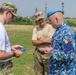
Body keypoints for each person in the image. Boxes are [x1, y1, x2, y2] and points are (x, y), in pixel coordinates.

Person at [45, 9, 76, 75]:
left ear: (56, 19)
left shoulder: (66, 33)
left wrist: (51, 52)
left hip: (64, 72)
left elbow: (69, 55)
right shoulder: (59, 31)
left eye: (50, 20)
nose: (49, 23)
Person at [0, 2, 24, 75]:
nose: (13, 19)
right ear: (7, 13)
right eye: (12, 16)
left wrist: (10, 48)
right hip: (3, 67)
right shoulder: (1, 29)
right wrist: (14, 53)